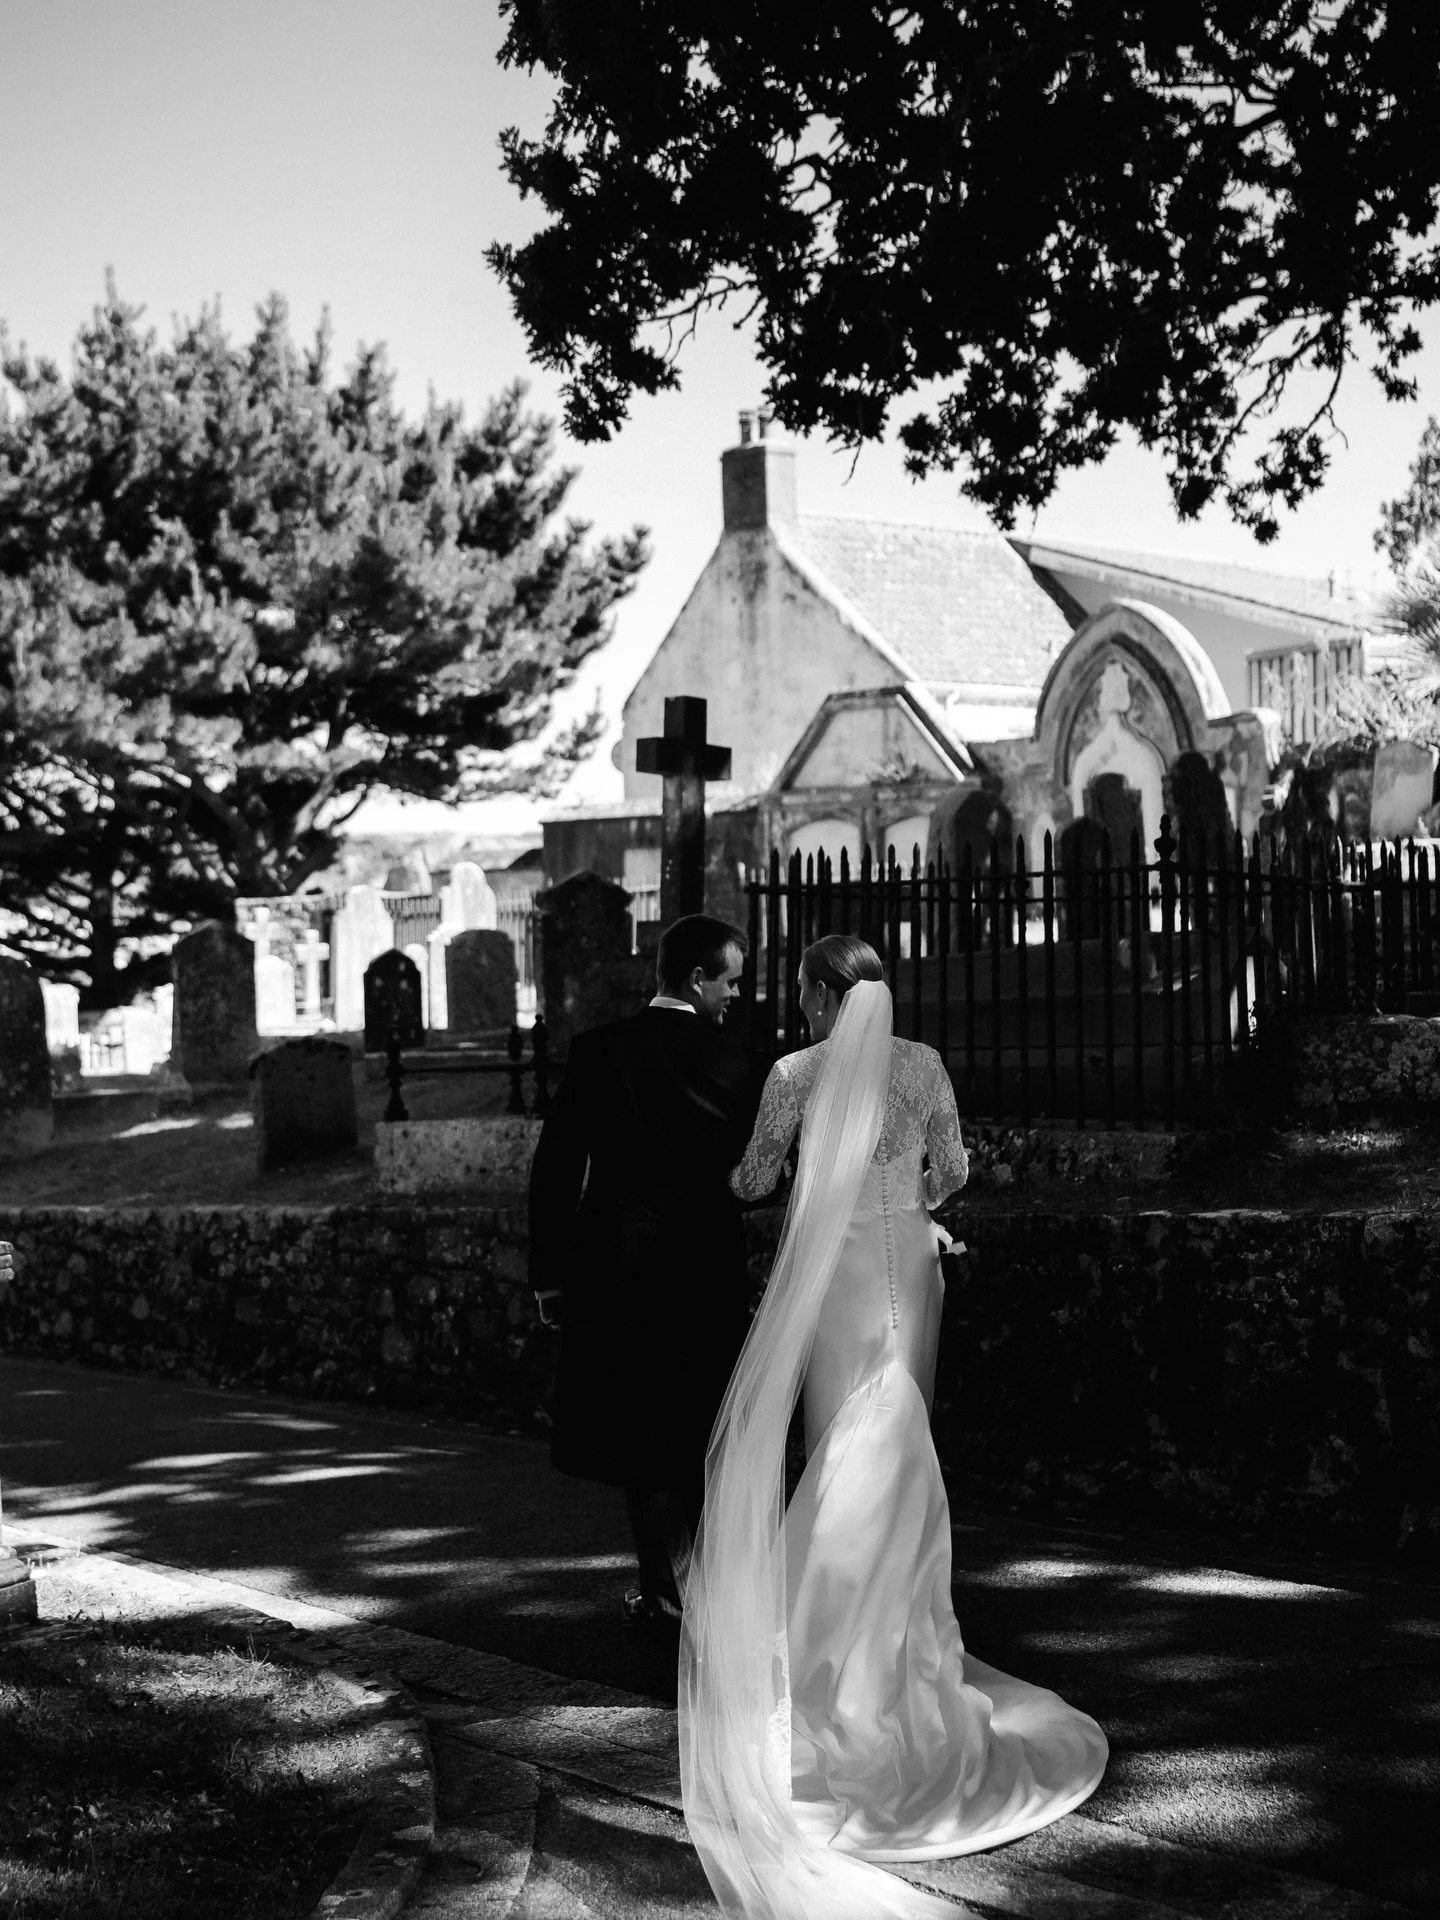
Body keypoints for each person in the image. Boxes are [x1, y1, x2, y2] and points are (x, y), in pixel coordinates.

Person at [679, 933, 1107, 1919]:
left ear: (826, 996)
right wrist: (909, 1199)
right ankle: (899, 1639)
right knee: (897, 1444)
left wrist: (773, 1178)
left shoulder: (793, 1073)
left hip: (832, 1277)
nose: (799, 1012)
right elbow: (953, 1168)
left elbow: (750, 1180)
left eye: (803, 996)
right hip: (910, 1264)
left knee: (841, 1450)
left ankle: (833, 1653)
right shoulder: (923, 1066)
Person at [528, 912, 757, 1639]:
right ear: (695, 977)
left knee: (641, 1432)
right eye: (730, 982)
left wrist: (549, 1274)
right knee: (705, 1426)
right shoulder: (739, 1058)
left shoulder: (600, 1050)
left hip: (617, 1265)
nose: (735, 998)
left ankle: (666, 1597)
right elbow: (757, 1174)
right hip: (707, 1265)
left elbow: (557, 1169)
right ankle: (712, 1596)